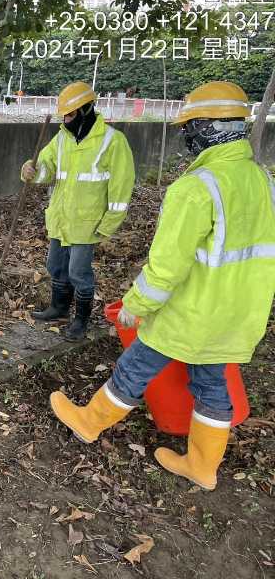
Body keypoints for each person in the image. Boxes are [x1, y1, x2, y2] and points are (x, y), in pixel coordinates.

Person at [49, 81, 275, 490]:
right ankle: (203, 466)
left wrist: (137, 305)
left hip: (191, 313)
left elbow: (166, 268)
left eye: (191, 127)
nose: (187, 135)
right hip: (240, 314)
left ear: (210, 128)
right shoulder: (263, 181)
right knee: (211, 383)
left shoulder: (196, 189)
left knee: (135, 367)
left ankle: (88, 422)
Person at [21, 81, 135, 340]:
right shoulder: (62, 138)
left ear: (85, 110)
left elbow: (121, 188)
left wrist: (108, 224)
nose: (66, 119)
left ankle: (81, 319)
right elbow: (46, 167)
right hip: (61, 219)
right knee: (55, 266)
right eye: (64, 115)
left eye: (70, 114)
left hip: (87, 223)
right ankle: (59, 308)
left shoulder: (112, 141)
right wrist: (32, 169)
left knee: (79, 273)